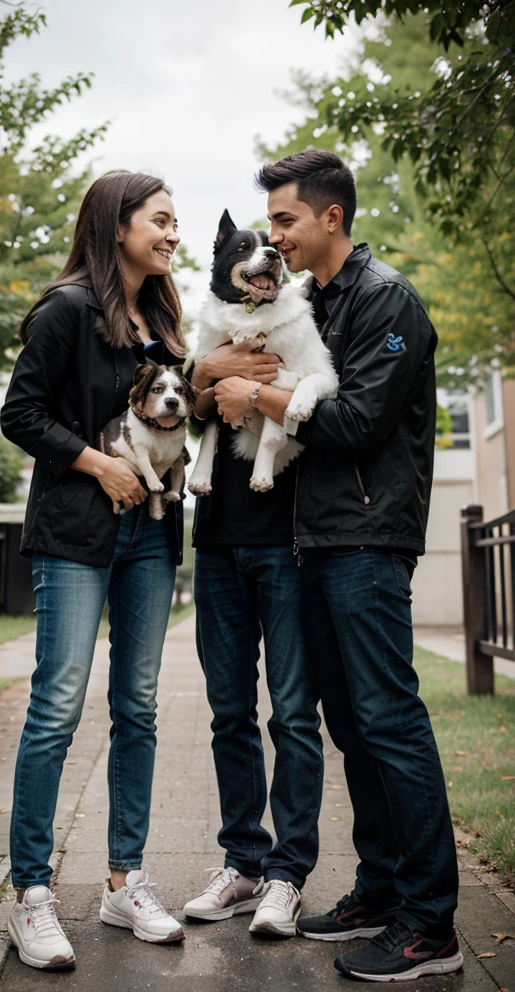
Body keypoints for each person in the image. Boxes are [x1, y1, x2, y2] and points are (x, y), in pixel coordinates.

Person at [213, 149, 462, 981]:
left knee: (391, 723)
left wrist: (262, 399)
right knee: (353, 729)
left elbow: (356, 422)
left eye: (284, 221)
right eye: (270, 224)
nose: (274, 239)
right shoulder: (310, 299)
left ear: (331, 218)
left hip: (366, 539)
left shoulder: (387, 298)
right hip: (313, 540)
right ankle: (381, 890)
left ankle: (431, 926)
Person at [0, 171, 188, 971]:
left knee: (138, 706)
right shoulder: (68, 308)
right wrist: (93, 465)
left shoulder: (161, 319)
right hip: (75, 533)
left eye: (176, 221)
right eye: (161, 219)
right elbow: (21, 412)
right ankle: (31, 896)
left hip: (149, 537)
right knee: (57, 705)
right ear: (117, 226)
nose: (174, 233)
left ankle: (124, 880)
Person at [181, 264, 324, 937]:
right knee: (228, 713)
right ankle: (242, 862)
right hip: (216, 542)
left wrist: (243, 382)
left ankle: (286, 875)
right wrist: (208, 376)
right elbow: (194, 410)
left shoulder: (299, 319)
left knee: (294, 713)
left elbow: (314, 397)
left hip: (287, 540)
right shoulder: (213, 328)